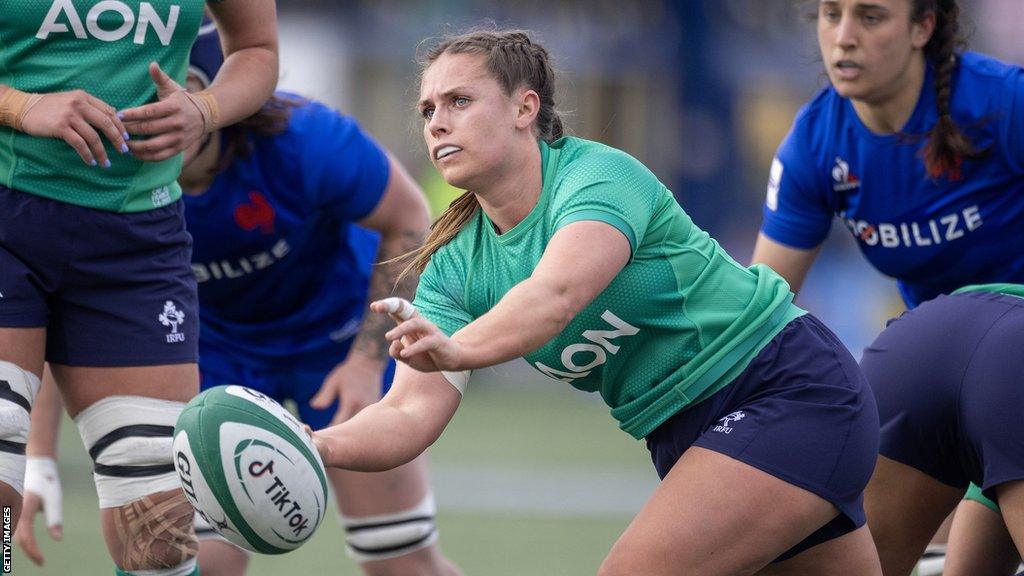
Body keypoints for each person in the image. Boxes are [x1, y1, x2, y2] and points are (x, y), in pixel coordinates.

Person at [312, 28, 883, 576]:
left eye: (459, 100)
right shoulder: (456, 265)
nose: (438, 123)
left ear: (524, 108)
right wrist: (314, 444)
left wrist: (458, 348)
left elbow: (555, 296)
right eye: (428, 110)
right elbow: (409, 415)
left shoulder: (597, 177)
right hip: (685, 435)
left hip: (785, 390)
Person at [15, 20, 462, 576]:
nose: (141, 116)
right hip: (215, 356)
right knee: (195, 562)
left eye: (162, 94)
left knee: (402, 563)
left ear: (208, 90)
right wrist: (35, 458)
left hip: (335, 340)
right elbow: (70, 310)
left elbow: (411, 218)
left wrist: (366, 360)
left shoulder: (304, 140)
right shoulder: (106, 175)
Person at [0, 3, 278, 576]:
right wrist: (23, 106)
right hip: (5, 211)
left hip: (136, 241)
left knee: (161, 538)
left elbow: (258, 50)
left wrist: (205, 109)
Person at [749, 0, 1024, 574]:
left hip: (977, 367)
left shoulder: (1003, 102)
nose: (844, 37)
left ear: (923, 28)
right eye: (831, 15)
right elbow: (761, 317)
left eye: (871, 17)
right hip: (930, 368)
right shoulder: (816, 142)